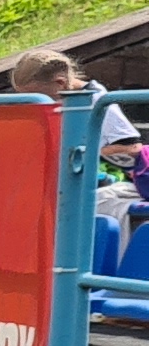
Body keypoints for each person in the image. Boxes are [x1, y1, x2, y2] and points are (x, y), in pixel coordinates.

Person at [13, 49, 141, 224]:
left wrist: (83, 154)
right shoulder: (56, 105)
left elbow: (132, 148)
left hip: (107, 179)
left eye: (39, 96)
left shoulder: (97, 101)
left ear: (60, 83)